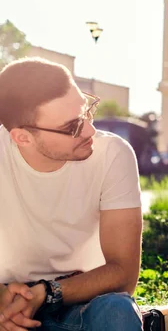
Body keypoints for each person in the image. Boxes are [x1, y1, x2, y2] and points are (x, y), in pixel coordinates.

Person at [0, 58, 143, 330]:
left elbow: (124, 273)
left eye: (86, 110)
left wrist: (46, 294)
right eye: (71, 127)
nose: (90, 129)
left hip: (84, 302)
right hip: (7, 306)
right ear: (22, 137)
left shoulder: (112, 153)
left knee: (117, 311)